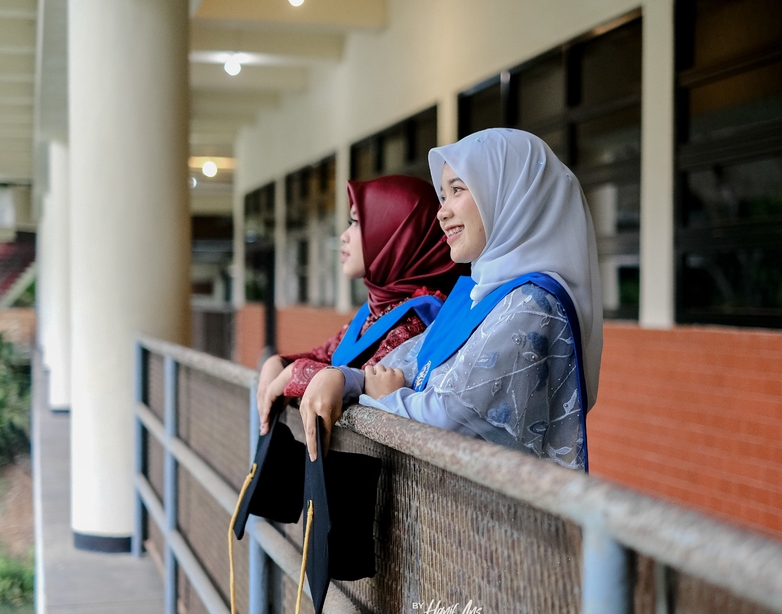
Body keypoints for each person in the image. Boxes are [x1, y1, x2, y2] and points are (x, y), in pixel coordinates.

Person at [299, 128, 603, 471]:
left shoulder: (534, 306)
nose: (441, 212)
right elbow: (401, 368)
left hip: (503, 520)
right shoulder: (472, 297)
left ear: (508, 195)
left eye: (457, 190)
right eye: (443, 195)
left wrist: (384, 399)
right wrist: (340, 378)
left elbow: (450, 419)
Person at [256, 174, 467, 432]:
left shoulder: (422, 316)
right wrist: (279, 363)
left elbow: (363, 379)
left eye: (356, 223)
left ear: (396, 234)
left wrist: (293, 373)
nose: (343, 236)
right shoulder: (377, 309)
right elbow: (326, 357)